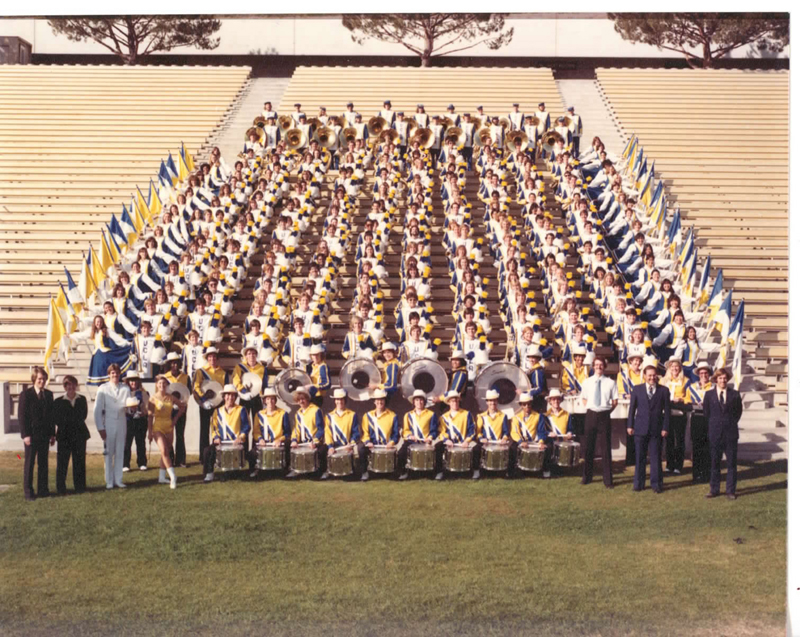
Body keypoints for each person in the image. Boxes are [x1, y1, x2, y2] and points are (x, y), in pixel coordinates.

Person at [626, 361, 670, 493]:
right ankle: (638, 484)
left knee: (656, 458)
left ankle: (656, 484)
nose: (652, 378)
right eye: (649, 375)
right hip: (640, 428)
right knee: (640, 457)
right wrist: (630, 425)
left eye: (654, 375)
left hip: (656, 429)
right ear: (644, 376)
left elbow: (667, 411)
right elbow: (632, 409)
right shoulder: (637, 389)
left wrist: (665, 428)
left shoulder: (664, 391)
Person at [703, 369, 743, 500]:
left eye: (725, 378)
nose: (723, 381)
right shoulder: (709, 395)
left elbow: (738, 413)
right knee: (714, 463)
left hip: (730, 434)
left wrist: (728, 423)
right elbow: (706, 414)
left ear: (728, 379)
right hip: (715, 434)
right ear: (715, 380)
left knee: (731, 464)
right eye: (720, 378)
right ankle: (714, 490)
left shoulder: (735, 395)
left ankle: (730, 491)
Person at [579, 356, 618, 488]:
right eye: (596, 365)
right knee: (589, 447)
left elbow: (615, 401)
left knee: (606, 448)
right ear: (593, 366)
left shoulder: (611, 383)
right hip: (591, 414)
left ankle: (608, 480)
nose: (598, 367)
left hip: (604, 415)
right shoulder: (587, 382)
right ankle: (587, 477)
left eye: (601, 365)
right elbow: (584, 399)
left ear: (604, 367)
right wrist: (592, 409)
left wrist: (605, 411)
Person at [18, 366, 55, 501]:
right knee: (29, 464)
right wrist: (25, 435)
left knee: (43, 463)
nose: (42, 381)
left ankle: (43, 490)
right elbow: (22, 417)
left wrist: (52, 434)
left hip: (44, 435)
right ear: (34, 379)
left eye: (44, 379)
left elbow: (51, 417)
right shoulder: (26, 395)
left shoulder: (49, 395)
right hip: (31, 436)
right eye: (40, 379)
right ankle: (28, 492)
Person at [93, 363, 132, 490]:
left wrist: (132, 409)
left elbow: (129, 408)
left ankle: (118, 480)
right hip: (108, 422)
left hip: (121, 422)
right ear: (109, 374)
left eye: (117, 373)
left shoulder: (125, 388)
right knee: (108, 453)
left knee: (120, 451)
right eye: (112, 373)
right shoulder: (103, 388)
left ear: (120, 374)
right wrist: (100, 428)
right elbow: (97, 410)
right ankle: (109, 481)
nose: (115, 375)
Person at [203, 385, 251, 483]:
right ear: (224, 397)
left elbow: (246, 426)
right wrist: (216, 437)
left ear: (235, 397)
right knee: (207, 451)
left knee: (232, 474)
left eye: (233, 395)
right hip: (222, 442)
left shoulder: (241, 409)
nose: (230, 397)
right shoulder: (217, 411)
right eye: (228, 395)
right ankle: (209, 473)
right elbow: (214, 427)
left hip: (236, 443)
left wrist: (241, 437)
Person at [53, 375, 90, 495]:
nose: (71, 387)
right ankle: (61, 488)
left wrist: (69, 419)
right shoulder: (58, 401)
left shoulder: (82, 399)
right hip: (64, 436)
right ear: (64, 387)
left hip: (79, 435)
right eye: (68, 385)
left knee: (79, 462)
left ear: (76, 386)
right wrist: (70, 421)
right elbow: (57, 419)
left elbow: (82, 416)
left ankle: (80, 487)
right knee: (62, 463)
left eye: (73, 384)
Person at [148, 375, 186, 489]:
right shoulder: (153, 398)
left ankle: (161, 477)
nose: (162, 385)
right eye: (159, 383)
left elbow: (182, 407)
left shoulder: (171, 397)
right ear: (156, 385)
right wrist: (149, 432)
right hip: (158, 426)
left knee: (166, 452)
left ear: (167, 385)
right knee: (164, 450)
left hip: (169, 426)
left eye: (164, 383)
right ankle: (173, 476)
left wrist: (175, 419)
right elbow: (150, 416)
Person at [192, 346, 228, 460]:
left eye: (214, 356)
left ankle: (216, 454)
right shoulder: (200, 371)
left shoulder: (223, 373)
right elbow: (196, 387)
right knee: (204, 429)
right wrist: (203, 400)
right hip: (205, 403)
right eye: (210, 356)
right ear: (207, 358)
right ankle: (203, 456)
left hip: (219, 404)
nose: (212, 359)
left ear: (217, 358)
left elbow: (225, 388)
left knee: (218, 429)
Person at [397, 389, 442, 480]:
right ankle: (404, 472)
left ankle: (437, 472)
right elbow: (405, 430)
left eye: (421, 400)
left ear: (424, 402)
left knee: (437, 452)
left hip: (425, 441)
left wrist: (430, 438)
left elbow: (434, 430)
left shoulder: (431, 414)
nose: (419, 402)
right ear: (413, 402)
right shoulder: (408, 415)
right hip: (411, 441)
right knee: (401, 452)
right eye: (417, 400)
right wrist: (410, 436)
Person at [358, 389, 400, 481]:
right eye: (377, 400)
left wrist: (392, 442)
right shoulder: (367, 416)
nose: (379, 402)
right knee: (361, 449)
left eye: (382, 399)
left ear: (385, 401)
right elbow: (365, 433)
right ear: (374, 401)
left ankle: (392, 471)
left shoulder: (393, 416)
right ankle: (364, 472)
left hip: (387, 446)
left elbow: (396, 433)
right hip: (372, 445)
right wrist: (367, 442)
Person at [249, 387, 291, 478]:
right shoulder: (259, 414)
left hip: (278, 443)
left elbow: (288, 433)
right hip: (265, 443)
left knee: (288, 445)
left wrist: (280, 440)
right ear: (264, 401)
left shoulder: (283, 413)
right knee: (251, 453)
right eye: (268, 399)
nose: (270, 401)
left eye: (272, 399)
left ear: (275, 400)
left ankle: (286, 469)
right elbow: (256, 432)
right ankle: (255, 469)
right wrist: (260, 439)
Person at [438, 390, 480, 480]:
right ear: (448, 402)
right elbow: (441, 432)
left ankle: (476, 470)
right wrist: (446, 440)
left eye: (457, 400)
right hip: (450, 443)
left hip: (464, 442)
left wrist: (467, 441)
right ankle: (440, 472)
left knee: (476, 449)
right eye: (453, 401)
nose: (455, 403)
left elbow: (472, 430)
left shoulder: (467, 414)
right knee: (437, 447)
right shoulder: (443, 417)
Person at [321, 388, 362, 480]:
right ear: (335, 401)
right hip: (334, 445)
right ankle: (327, 470)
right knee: (322, 450)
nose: (339, 402)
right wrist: (330, 446)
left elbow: (356, 433)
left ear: (345, 400)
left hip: (347, 445)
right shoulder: (329, 416)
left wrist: (351, 444)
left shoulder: (352, 414)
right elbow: (327, 433)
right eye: (337, 399)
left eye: (341, 399)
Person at [287, 387, 327, 479]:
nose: (301, 401)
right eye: (299, 400)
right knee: (288, 445)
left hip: (314, 442)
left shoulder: (316, 410)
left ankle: (322, 471)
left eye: (303, 399)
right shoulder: (298, 413)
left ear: (307, 398)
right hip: (302, 442)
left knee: (321, 451)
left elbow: (321, 429)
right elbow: (296, 430)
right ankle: (294, 469)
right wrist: (294, 440)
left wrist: (315, 441)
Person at [684, 361, 713, 483]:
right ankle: (696, 475)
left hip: (710, 419)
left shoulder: (714, 387)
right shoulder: (692, 388)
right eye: (701, 373)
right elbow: (686, 401)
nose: (703, 375)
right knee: (696, 447)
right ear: (698, 374)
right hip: (696, 418)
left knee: (708, 447)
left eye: (706, 373)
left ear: (709, 374)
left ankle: (707, 474)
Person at [476, 389, 512, 477]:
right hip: (486, 442)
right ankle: (477, 471)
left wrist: (504, 438)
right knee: (476, 449)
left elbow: (506, 432)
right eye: (490, 401)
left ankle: (506, 471)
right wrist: (481, 438)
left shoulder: (503, 416)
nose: (493, 403)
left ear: (497, 401)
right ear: (487, 402)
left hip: (498, 442)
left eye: (494, 400)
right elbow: (478, 432)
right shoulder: (481, 416)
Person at [163, 352, 189, 468]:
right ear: (169, 364)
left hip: (182, 408)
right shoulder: (164, 377)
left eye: (176, 363)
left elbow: (189, 392)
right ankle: (170, 459)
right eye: (172, 363)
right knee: (168, 434)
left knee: (180, 433)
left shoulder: (186, 377)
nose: (174, 365)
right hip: (168, 409)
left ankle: (181, 460)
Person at [123, 371, 149, 472]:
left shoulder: (143, 393)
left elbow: (147, 407)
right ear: (128, 382)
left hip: (140, 421)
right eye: (131, 381)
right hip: (128, 421)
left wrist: (142, 412)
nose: (133, 383)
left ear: (138, 382)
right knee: (126, 443)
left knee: (141, 442)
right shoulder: (125, 393)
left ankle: (142, 463)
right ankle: (125, 464)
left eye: (134, 380)